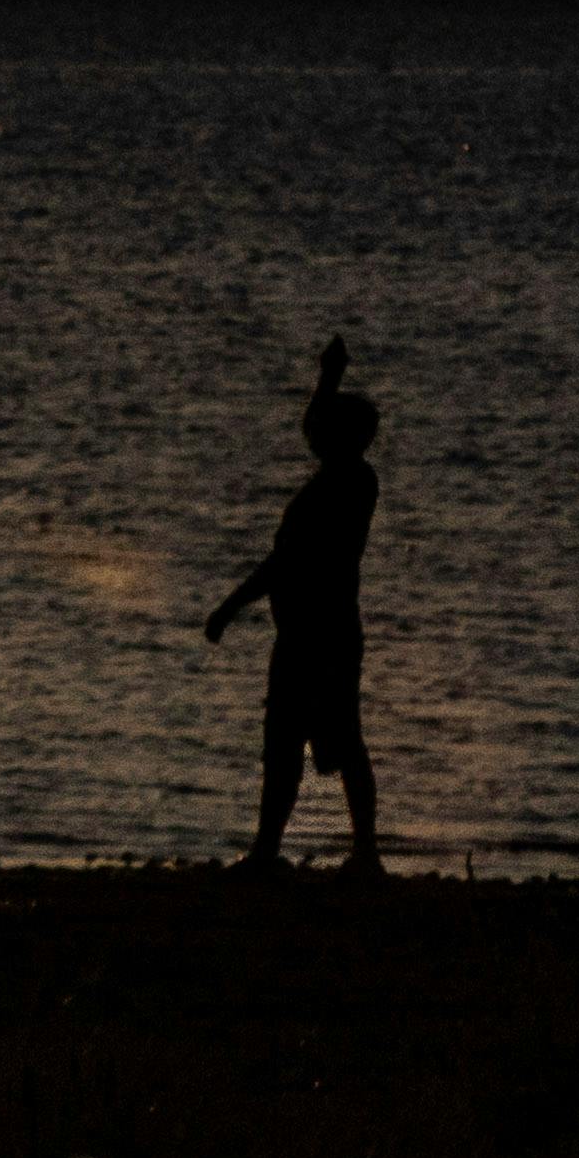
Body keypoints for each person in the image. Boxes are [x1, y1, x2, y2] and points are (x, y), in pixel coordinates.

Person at [204, 335, 380, 875]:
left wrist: (231, 605)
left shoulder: (343, 487)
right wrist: (328, 379)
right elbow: (316, 427)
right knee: (292, 743)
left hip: (318, 637)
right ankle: (274, 850)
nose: (314, 435)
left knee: (332, 744)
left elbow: (284, 564)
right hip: (311, 633)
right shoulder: (344, 480)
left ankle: (358, 853)